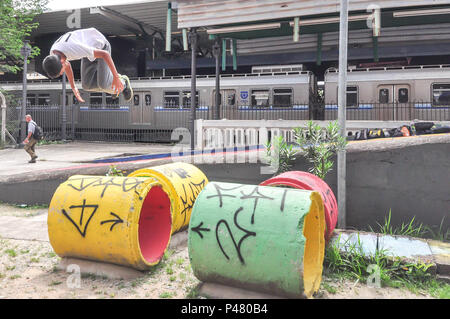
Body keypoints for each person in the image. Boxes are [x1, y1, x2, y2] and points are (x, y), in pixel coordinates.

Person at [41, 27, 133, 103]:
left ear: (61, 62)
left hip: (101, 46)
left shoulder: (74, 48)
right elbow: (67, 65)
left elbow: (105, 54)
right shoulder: (53, 55)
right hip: (87, 50)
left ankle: (124, 82)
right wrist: (74, 88)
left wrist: (116, 77)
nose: (62, 73)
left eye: (61, 72)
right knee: (86, 85)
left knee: (103, 85)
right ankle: (110, 85)